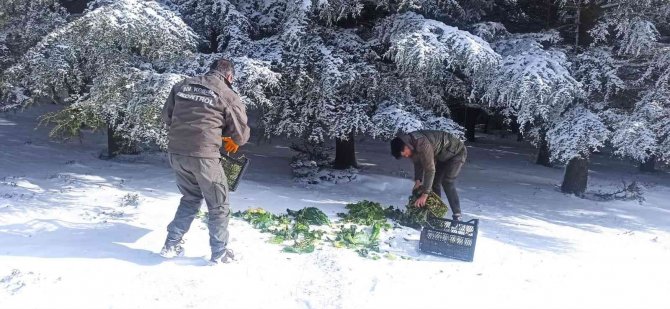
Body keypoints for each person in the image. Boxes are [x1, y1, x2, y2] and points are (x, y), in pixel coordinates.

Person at [160, 59, 250, 264]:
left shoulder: (182, 85)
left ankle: (171, 244)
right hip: (204, 156)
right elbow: (241, 136)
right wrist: (226, 136)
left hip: (177, 153)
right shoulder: (227, 94)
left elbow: (168, 117)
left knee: (190, 198)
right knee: (218, 205)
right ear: (229, 76)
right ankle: (219, 253)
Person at [390, 130, 466, 221]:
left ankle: (457, 215)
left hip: (456, 153)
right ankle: (436, 213)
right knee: (434, 183)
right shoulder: (411, 145)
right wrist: (418, 181)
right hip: (441, 155)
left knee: (447, 182)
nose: (406, 156)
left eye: (404, 154)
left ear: (405, 146)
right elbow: (418, 162)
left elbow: (430, 170)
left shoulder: (421, 143)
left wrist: (425, 194)